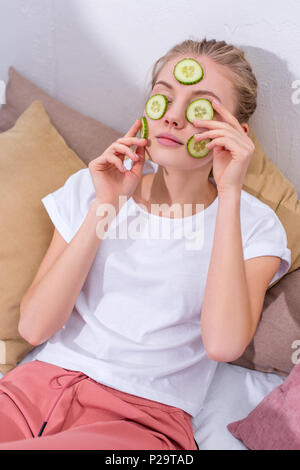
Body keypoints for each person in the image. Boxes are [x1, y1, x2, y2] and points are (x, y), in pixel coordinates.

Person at [0, 38, 291, 450]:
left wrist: (230, 192)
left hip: (143, 424)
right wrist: (106, 205)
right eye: (162, 98)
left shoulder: (256, 224)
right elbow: (34, 327)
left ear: (236, 134)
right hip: (30, 391)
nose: (173, 118)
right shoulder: (93, 187)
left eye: (200, 107)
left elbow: (223, 344)